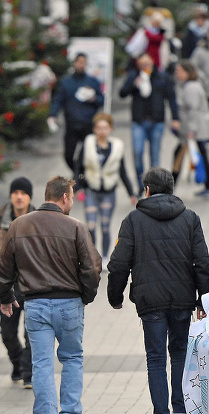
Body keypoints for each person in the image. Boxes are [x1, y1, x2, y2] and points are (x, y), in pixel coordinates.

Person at [0, 176, 102, 414]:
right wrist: (85, 296)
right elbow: (92, 267)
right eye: (72, 196)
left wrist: (5, 296)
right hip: (69, 303)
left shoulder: (19, 225)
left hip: (35, 304)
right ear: (65, 197)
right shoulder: (76, 227)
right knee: (72, 358)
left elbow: (3, 268)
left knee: (41, 363)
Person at [107, 168, 209, 414]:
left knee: (156, 359)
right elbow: (202, 261)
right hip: (182, 299)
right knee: (179, 354)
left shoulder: (133, 220)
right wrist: (206, 299)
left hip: (150, 301)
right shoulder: (190, 218)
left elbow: (119, 263)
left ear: (147, 190)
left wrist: (115, 297)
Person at [0, 177, 37, 388]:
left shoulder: (38, 218)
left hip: (32, 284)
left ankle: (27, 373)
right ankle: (18, 362)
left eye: (23, 193)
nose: (19, 196)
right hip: (7, 286)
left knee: (31, 332)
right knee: (7, 333)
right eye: (15, 192)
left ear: (29, 196)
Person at [74, 113, 136, 264]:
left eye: (105, 128)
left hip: (109, 192)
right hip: (91, 190)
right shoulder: (88, 144)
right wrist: (77, 187)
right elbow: (78, 166)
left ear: (111, 129)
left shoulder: (117, 147)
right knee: (91, 225)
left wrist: (131, 193)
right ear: (94, 129)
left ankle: (106, 256)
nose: (102, 131)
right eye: (99, 128)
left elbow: (122, 171)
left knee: (105, 226)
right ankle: (93, 256)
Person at [119, 53, 180, 191]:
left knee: (155, 155)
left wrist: (175, 118)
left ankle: (154, 186)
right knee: (137, 152)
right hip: (139, 121)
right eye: (142, 64)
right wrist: (134, 85)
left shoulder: (161, 76)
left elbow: (171, 97)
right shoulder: (134, 76)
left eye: (147, 63)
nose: (145, 66)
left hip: (157, 121)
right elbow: (122, 93)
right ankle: (141, 183)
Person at [47, 53, 105, 179]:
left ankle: (80, 180)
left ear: (86, 64)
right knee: (68, 155)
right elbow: (58, 100)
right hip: (71, 125)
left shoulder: (92, 81)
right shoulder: (66, 82)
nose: (81, 64)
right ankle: (80, 175)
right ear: (74, 63)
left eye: (83, 62)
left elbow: (102, 100)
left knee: (85, 156)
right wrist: (53, 115)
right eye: (78, 61)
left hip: (88, 125)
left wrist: (93, 98)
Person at [174, 60, 209, 197]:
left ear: (187, 73)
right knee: (201, 154)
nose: (177, 74)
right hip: (196, 129)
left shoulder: (190, 87)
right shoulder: (190, 85)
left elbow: (193, 110)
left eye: (179, 71)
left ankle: (171, 186)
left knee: (180, 155)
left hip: (194, 130)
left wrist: (191, 130)